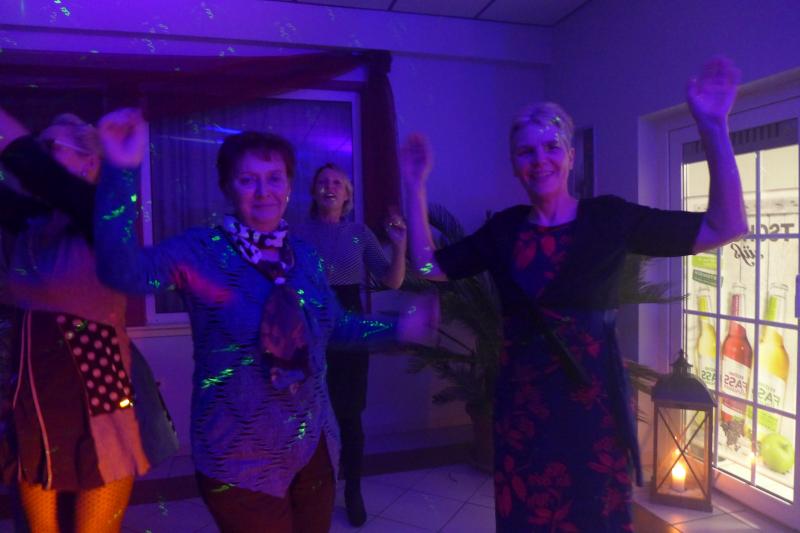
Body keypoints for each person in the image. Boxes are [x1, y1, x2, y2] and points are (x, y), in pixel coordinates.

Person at [401, 57, 747, 531]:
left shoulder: (609, 218)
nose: (539, 159)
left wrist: (713, 127)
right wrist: (415, 186)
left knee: (594, 517)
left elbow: (725, 225)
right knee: (527, 518)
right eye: (526, 152)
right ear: (515, 165)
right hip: (523, 409)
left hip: (593, 408)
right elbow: (429, 267)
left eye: (551, 147)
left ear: (569, 156)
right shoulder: (503, 230)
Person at [92, 109, 428, 533]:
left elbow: (337, 325)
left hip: (312, 446)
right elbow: (121, 270)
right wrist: (121, 171)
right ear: (227, 187)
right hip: (237, 454)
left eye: (274, 178)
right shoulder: (202, 250)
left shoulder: (304, 255)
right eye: (248, 179)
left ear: (288, 186)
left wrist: (398, 329)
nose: (264, 191)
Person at [0, 109, 177, 533]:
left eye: (51, 147)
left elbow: (37, 170)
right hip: (35, 403)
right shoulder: (31, 221)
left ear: (89, 163)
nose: (41, 155)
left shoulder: (98, 215)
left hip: (95, 400)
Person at [294, 163, 406, 526]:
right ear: (313, 191)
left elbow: (391, 280)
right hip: (308, 324)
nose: (330, 187)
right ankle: (311, 490)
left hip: (350, 324)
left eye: (337, 183)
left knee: (349, 413)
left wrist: (400, 246)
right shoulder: (296, 233)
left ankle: (353, 490)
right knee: (306, 414)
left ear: (347, 195)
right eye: (323, 181)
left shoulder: (359, 233)